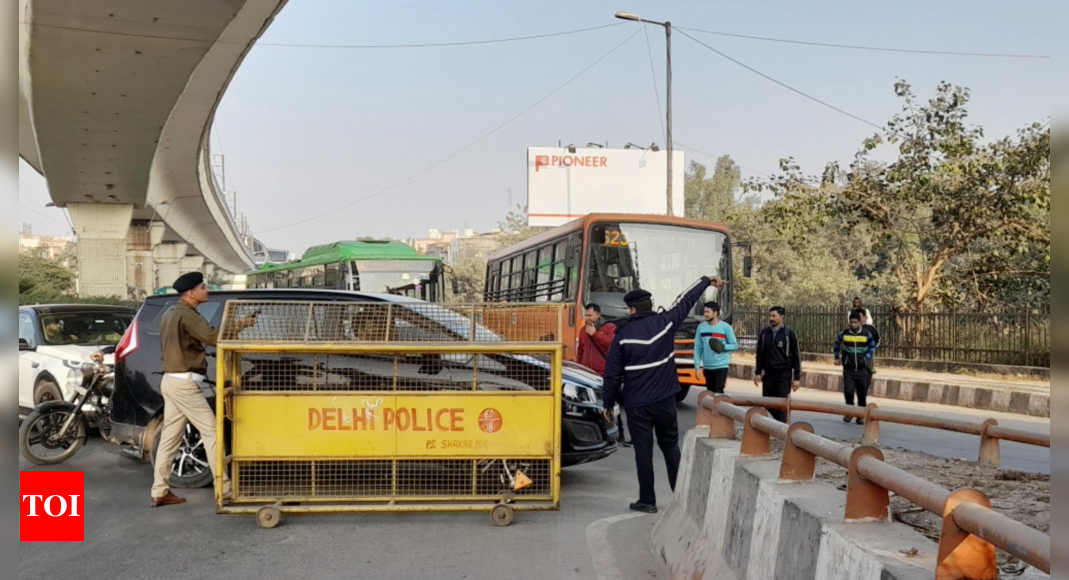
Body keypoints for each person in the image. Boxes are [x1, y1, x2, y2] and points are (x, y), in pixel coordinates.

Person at [603, 275, 728, 514]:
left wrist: (607, 404)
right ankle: (681, 498)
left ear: (631, 309)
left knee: (643, 452)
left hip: (638, 405)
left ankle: (647, 501)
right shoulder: (666, 322)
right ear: (650, 306)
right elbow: (686, 301)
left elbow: (611, 375)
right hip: (665, 400)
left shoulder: (623, 335)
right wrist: (705, 282)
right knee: (670, 445)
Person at [150, 272, 257, 507]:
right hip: (185, 384)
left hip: (171, 381)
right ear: (191, 293)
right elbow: (215, 338)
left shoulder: (171, 313)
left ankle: (159, 491)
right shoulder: (188, 316)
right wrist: (241, 324)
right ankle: (226, 489)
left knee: (169, 438)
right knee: (212, 433)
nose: (207, 290)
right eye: (203, 287)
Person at [575, 304, 628, 447]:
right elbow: (581, 351)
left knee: (610, 404)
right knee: (590, 406)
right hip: (587, 374)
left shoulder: (609, 328)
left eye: (590, 315)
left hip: (605, 374)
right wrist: (578, 368)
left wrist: (595, 334)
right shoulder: (582, 331)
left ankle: (619, 434)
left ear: (598, 315)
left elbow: (611, 345)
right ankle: (596, 434)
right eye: (586, 315)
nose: (587, 318)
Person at [753, 306, 802, 423]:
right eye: (770, 316)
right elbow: (759, 354)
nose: (771, 318)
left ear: (782, 317)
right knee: (767, 402)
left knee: (782, 404)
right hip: (769, 374)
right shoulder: (765, 334)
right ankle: (781, 425)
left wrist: (797, 378)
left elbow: (797, 357)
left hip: (784, 374)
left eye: (774, 316)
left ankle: (783, 429)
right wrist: (758, 372)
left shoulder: (789, 335)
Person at [834, 311, 878, 424]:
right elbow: (837, 344)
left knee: (862, 392)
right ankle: (849, 412)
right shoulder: (844, 334)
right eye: (851, 322)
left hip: (862, 368)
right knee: (848, 391)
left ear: (859, 322)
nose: (853, 324)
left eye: (855, 322)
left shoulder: (866, 334)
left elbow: (872, 347)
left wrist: (866, 358)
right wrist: (837, 357)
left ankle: (861, 415)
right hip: (849, 368)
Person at [693, 302, 738, 395]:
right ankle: (712, 410)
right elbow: (698, 348)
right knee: (710, 393)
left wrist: (723, 347)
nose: (705, 314)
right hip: (707, 367)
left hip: (721, 366)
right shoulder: (701, 327)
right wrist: (697, 366)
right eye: (704, 312)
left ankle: (720, 409)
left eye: (707, 312)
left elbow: (734, 345)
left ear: (715, 313)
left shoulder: (726, 327)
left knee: (718, 392)